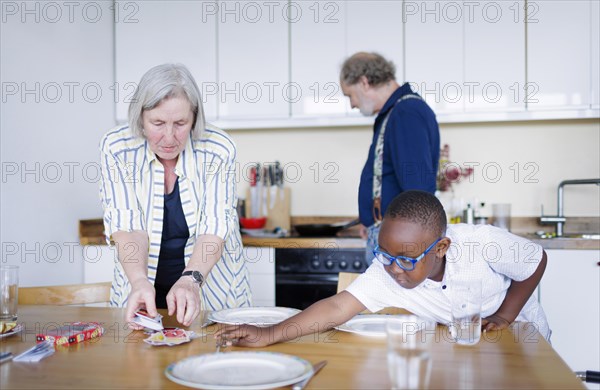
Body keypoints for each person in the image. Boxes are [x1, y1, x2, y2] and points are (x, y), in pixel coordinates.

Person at [216, 190, 551, 346]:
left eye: (406, 259)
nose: (393, 268)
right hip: (468, 348)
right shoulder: (390, 269)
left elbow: (536, 260)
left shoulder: (482, 242)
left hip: (522, 335)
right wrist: (269, 333)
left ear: (441, 248)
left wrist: (506, 316)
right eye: (384, 254)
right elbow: (336, 306)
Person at [99, 63, 251, 328]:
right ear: (140, 118)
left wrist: (191, 279)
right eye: (157, 123)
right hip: (141, 287)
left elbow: (214, 229)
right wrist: (138, 281)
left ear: (194, 119)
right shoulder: (117, 148)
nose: (169, 137)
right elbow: (128, 227)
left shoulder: (218, 149)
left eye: (180, 123)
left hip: (209, 287)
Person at [340, 52, 440, 260]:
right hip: (388, 234)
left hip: (396, 242)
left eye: (350, 95)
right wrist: (371, 221)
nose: (352, 104)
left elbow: (418, 190)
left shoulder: (406, 113)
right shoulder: (397, 112)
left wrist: (401, 243)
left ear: (364, 82)